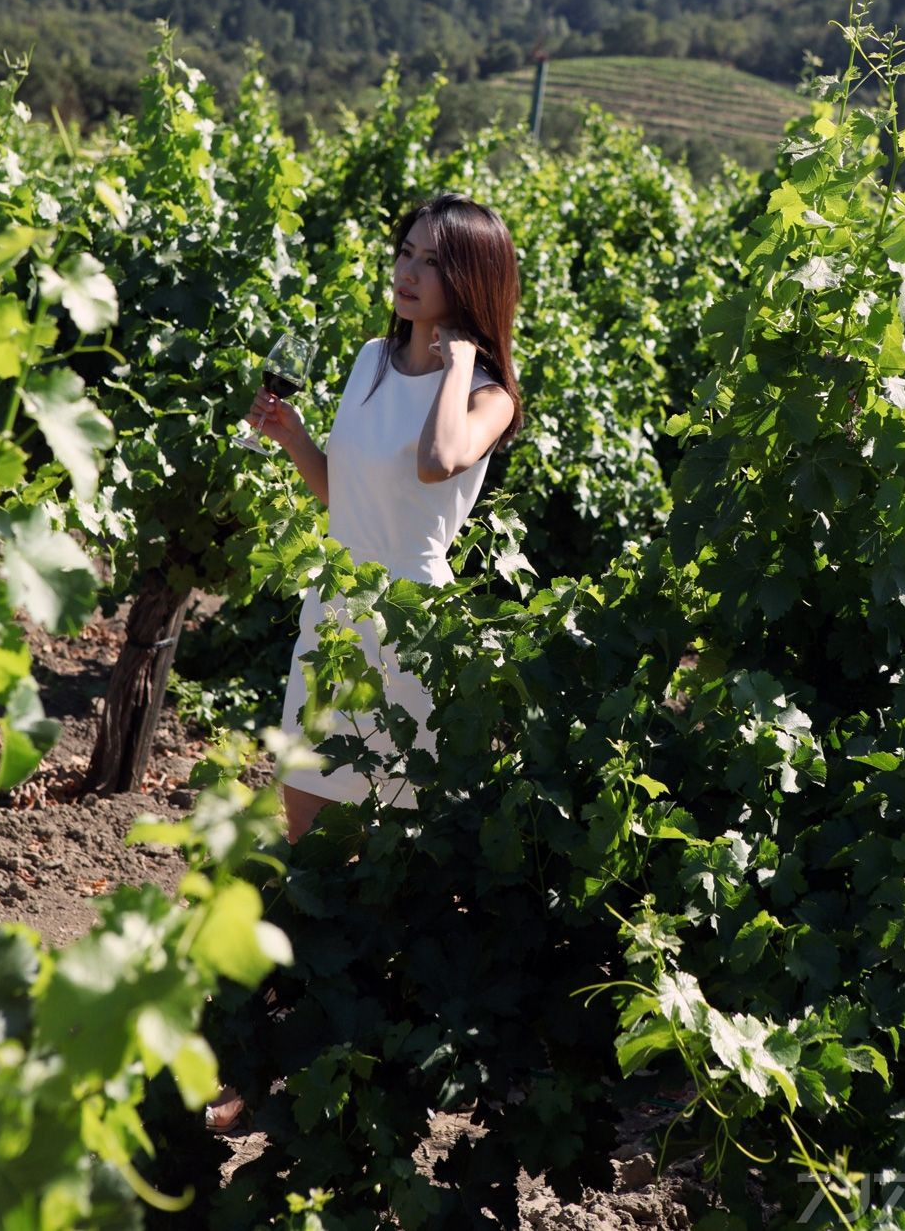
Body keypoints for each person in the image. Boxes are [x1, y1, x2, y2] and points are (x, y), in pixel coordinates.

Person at [206, 192, 522, 1130]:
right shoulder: (366, 364)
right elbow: (344, 496)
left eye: (430, 260)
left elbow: (434, 467)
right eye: (405, 251)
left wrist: (461, 361)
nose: (407, 270)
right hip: (335, 616)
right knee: (298, 848)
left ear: (469, 282)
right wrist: (296, 438)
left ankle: (378, 1062)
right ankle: (260, 1069)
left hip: (410, 635)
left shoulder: (489, 396)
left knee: (393, 854)